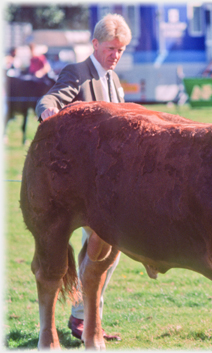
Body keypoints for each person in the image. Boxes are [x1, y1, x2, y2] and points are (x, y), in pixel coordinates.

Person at [36, 13, 132, 342]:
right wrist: (46, 110)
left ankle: (87, 318)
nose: (115, 55)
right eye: (110, 48)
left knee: (104, 248)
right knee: (103, 246)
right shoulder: (77, 73)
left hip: (110, 183)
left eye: (120, 50)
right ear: (95, 44)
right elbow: (53, 96)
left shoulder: (114, 80)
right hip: (82, 184)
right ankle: (84, 319)